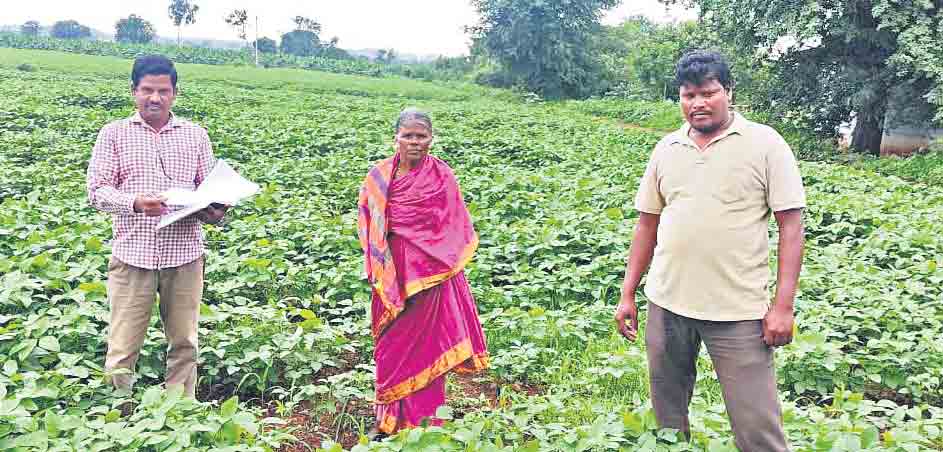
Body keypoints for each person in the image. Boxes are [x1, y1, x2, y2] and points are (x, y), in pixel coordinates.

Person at [614, 50, 805, 451]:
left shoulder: (765, 144)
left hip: (737, 310)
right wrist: (628, 292)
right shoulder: (667, 149)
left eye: (708, 92)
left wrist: (783, 307)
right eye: (688, 95)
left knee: (757, 429)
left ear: (728, 92)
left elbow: (791, 225)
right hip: (667, 303)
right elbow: (647, 223)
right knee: (668, 419)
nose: (698, 103)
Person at [87, 55, 227, 399]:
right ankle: (115, 416)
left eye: (163, 91)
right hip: (133, 255)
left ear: (174, 93)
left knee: (184, 342)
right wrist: (135, 203)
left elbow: (209, 189)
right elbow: (97, 191)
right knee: (122, 347)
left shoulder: (196, 135)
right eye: (147, 90)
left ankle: (179, 411)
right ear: (134, 91)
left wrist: (215, 208)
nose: (155, 98)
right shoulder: (114, 134)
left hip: (185, 255)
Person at [358, 108, 489, 435]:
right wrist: (381, 270)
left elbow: (454, 229)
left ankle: (428, 426)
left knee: (430, 350)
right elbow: (368, 226)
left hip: (432, 281)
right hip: (392, 279)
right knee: (390, 351)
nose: (414, 142)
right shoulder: (378, 178)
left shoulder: (443, 177)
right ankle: (387, 422)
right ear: (396, 138)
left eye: (421, 136)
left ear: (431, 139)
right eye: (408, 136)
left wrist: (429, 265)